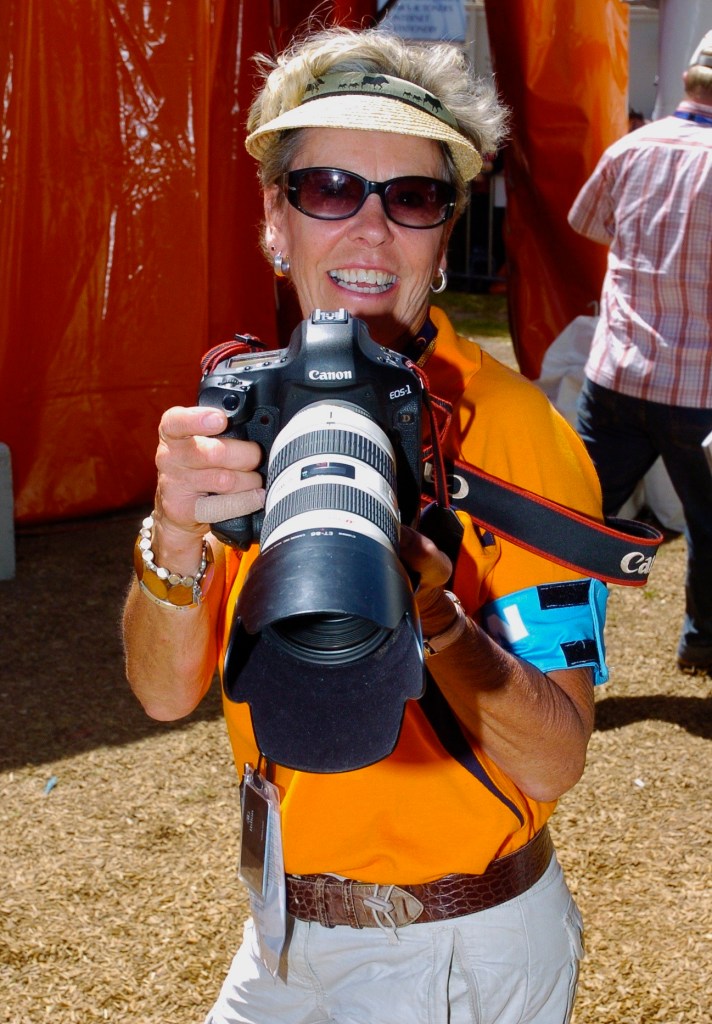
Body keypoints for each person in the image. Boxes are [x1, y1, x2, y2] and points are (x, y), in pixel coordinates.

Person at [123, 25, 609, 1024]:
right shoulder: (251, 416)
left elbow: (555, 756)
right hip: (283, 928)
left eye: (413, 198)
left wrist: (428, 607)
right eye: (331, 188)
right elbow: (163, 692)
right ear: (274, 215)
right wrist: (172, 537)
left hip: (447, 954)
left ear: (446, 229)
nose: (371, 232)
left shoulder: (513, 436)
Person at [568, 30, 712, 677]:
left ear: (689, 78)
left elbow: (587, 222)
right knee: (710, 530)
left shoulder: (632, 147)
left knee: (578, 522)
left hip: (619, 372)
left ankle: (565, 645)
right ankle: (703, 640)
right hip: (701, 389)